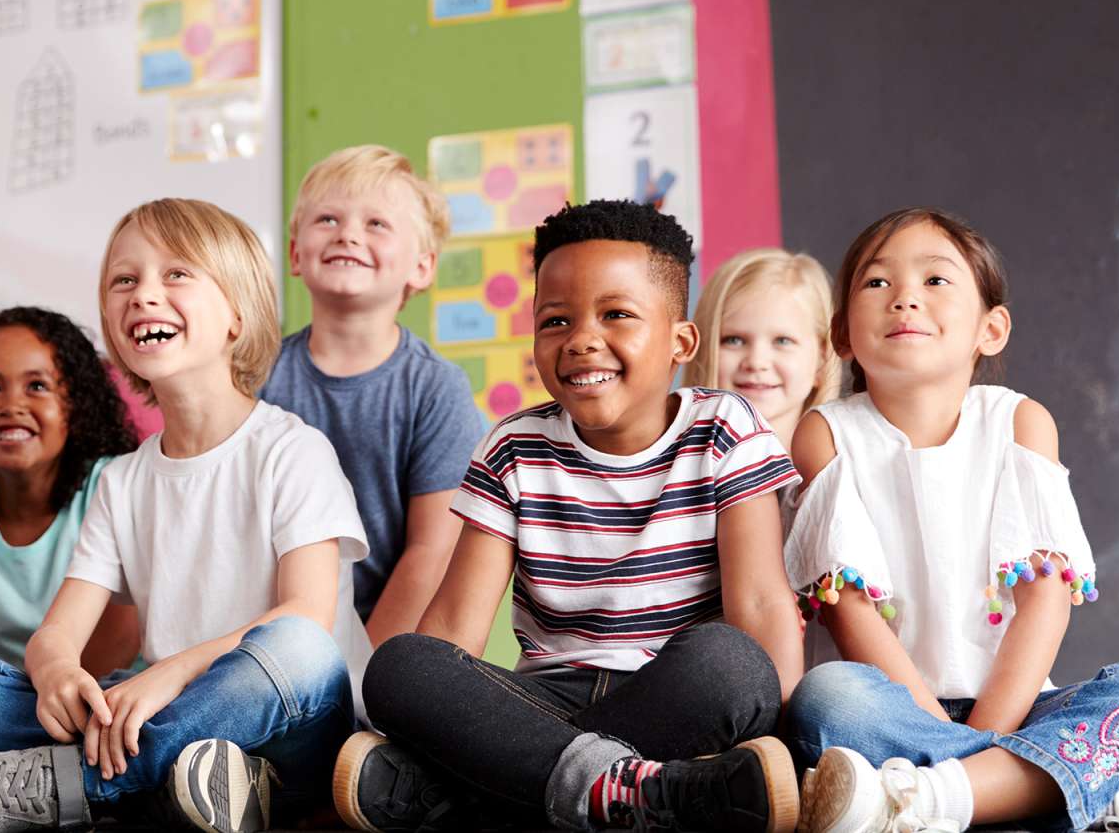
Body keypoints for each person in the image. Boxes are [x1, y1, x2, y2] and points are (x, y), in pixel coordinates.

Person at [335, 200, 805, 833]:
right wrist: (426, 706)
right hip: (540, 695)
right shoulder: (513, 446)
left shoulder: (726, 429)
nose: (582, 338)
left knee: (733, 662)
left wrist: (792, 745)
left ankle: (480, 792)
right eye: (556, 320)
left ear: (680, 342)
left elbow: (764, 605)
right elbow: (452, 626)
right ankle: (642, 793)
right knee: (399, 666)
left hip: (673, 692)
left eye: (616, 315)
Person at [0, 199, 372, 833]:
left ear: (238, 314)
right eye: (124, 280)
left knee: (297, 649)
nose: (143, 295)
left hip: (290, 727)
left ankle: (67, 788)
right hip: (166, 719)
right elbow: (57, 634)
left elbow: (307, 618)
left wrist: (169, 675)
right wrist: (56, 674)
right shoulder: (123, 480)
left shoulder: (292, 450)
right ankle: (175, 780)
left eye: (176, 274)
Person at [782, 207, 1119, 832]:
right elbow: (850, 613)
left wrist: (986, 733)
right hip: (890, 713)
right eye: (877, 284)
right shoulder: (825, 434)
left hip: (1018, 706)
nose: (904, 301)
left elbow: (1045, 602)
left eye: (935, 281)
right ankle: (1055, 793)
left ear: (991, 328)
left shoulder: (1020, 422)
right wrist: (959, 743)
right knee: (828, 696)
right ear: (843, 335)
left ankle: (935, 799)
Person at [262, 144, 487, 644]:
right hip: (270, 635)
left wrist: (357, 676)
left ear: (422, 268)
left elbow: (430, 553)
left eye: (376, 225)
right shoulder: (257, 376)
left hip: (380, 643)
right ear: (296, 254)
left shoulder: (435, 389)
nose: (348, 234)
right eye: (327, 219)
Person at [0, 306, 140, 673]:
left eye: (37, 386)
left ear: (76, 405)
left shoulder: (113, 483)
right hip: (10, 698)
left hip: (109, 688)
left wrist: (59, 698)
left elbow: (121, 640)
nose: (11, 406)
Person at [684, 247, 840, 449]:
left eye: (782, 341)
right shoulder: (673, 472)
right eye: (734, 340)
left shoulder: (849, 473)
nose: (756, 362)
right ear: (702, 350)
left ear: (822, 358)